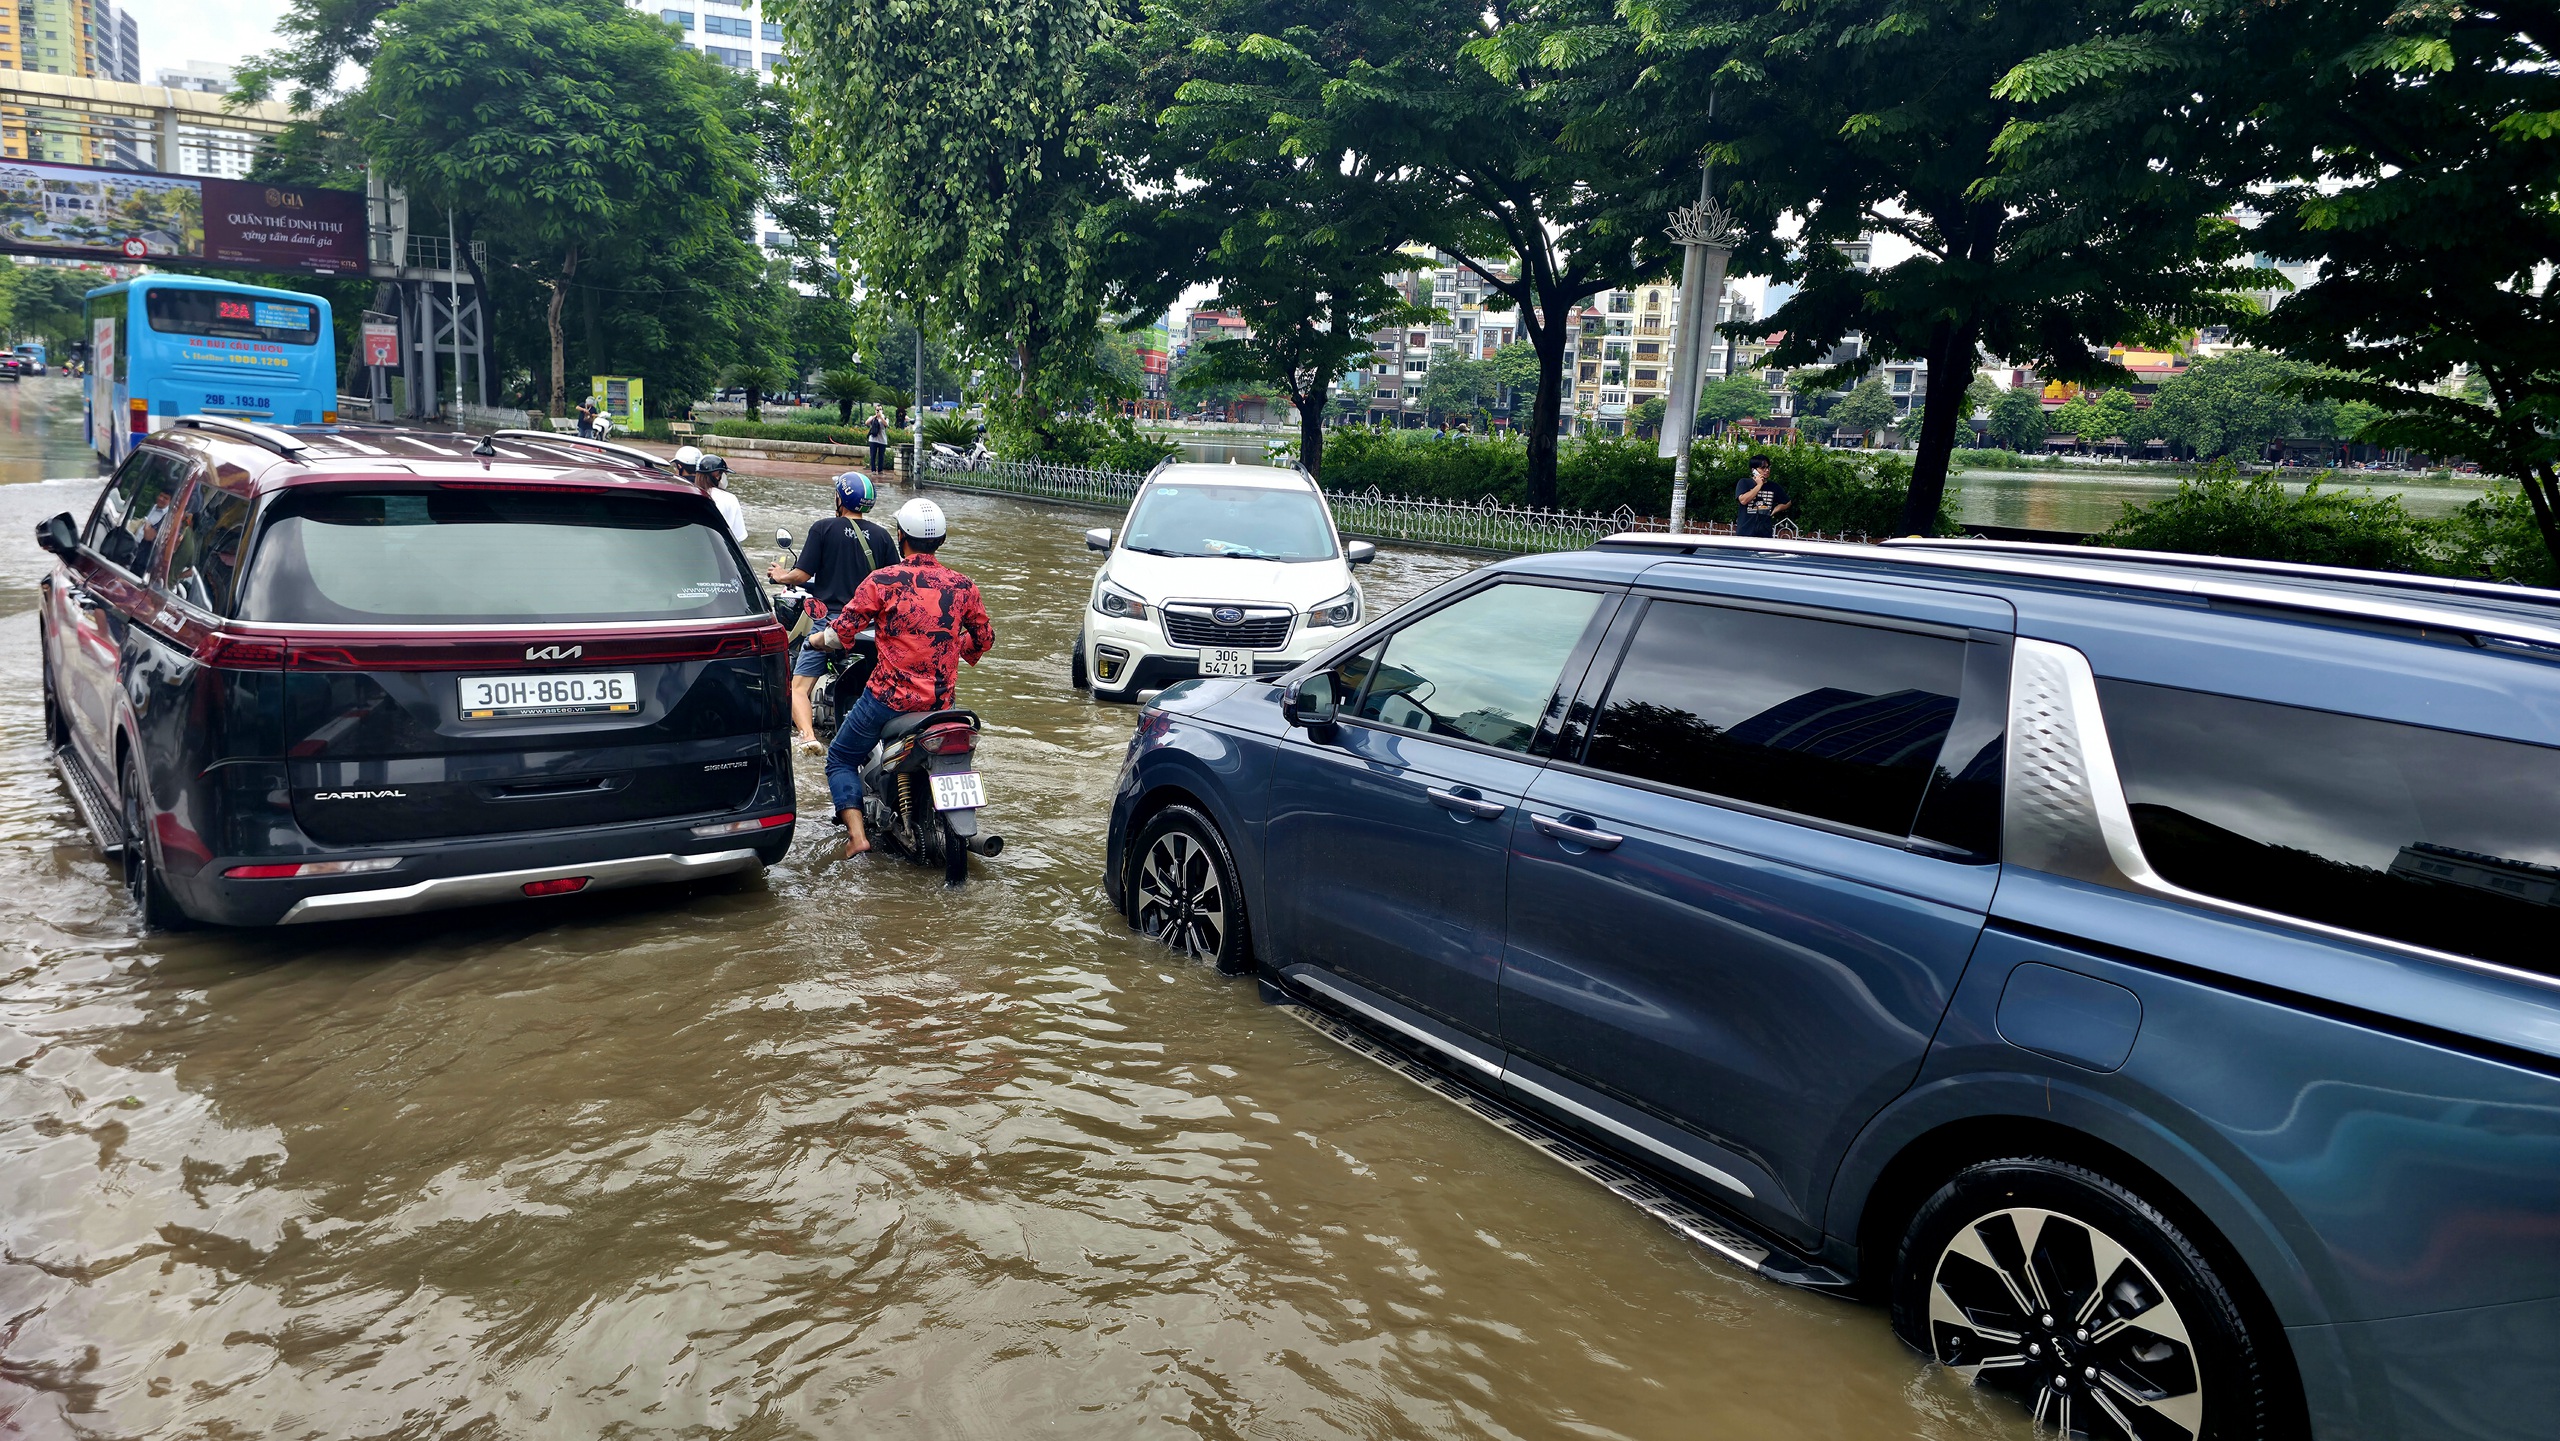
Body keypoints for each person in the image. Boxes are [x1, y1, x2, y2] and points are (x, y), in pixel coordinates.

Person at [810, 497, 993, 858]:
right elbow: (984, 639)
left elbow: (840, 632)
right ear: (940, 541)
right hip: (942, 706)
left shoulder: (883, 580)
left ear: (900, 536)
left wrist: (817, 640)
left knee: (840, 759)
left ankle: (857, 837)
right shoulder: (963, 586)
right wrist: (955, 648)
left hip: (887, 700)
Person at [769, 472, 901, 751]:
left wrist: (781, 575)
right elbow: (895, 585)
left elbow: (802, 575)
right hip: (871, 626)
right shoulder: (882, 536)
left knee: (799, 688)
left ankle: (807, 737)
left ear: (840, 498)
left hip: (831, 623)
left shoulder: (823, 528)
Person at [690, 453, 747, 544]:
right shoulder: (730, 499)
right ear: (717, 475)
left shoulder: (689, 495)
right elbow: (739, 536)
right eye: (724, 474)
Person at [1734, 453, 1793, 538]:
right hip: (1745, 531)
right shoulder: (1744, 483)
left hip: (1765, 532)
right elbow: (1743, 500)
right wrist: (1758, 485)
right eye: (1763, 468)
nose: (1767, 470)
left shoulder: (1773, 486)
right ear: (1753, 470)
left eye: (1768, 467)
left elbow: (1787, 502)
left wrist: (1774, 511)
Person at [866, 406, 889, 474]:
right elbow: (866, 423)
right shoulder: (872, 417)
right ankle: (873, 469)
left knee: (881, 456)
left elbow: (886, 424)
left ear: (882, 410)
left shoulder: (885, 418)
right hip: (873, 439)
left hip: (882, 440)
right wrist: (875, 416)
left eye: (880, 410)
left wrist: (881, 417)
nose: (878, 411)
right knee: (873, 455)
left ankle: (880, 470)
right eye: (877, 410)